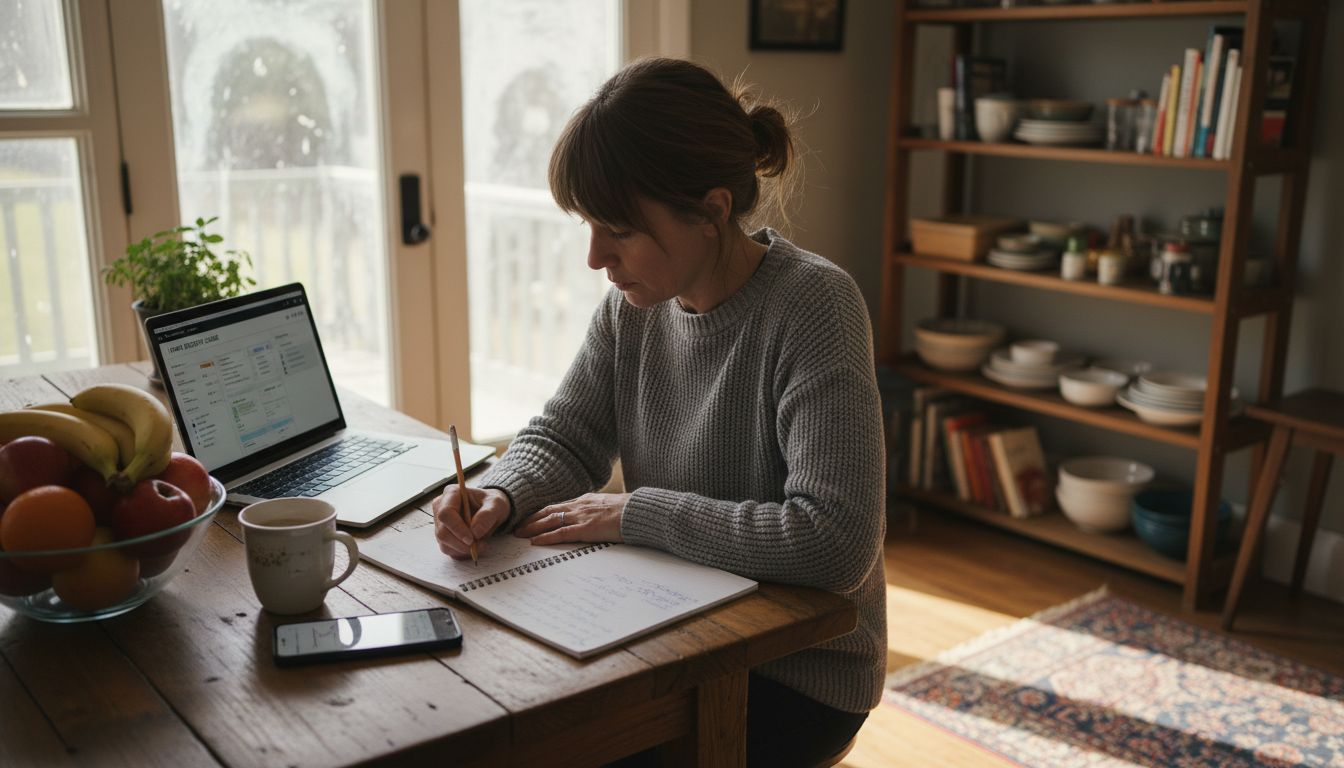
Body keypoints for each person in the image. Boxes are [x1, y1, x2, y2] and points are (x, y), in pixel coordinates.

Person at [433, 57, 886, 767]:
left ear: (711, 212)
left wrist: (632, 513)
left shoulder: (815, 308)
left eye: (617, 228)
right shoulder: (631, 307)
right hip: (673, 632)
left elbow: (835, 543)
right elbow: (567, 432)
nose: (594, 257)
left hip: (797, 673)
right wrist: (501, 491)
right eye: (588, 225)